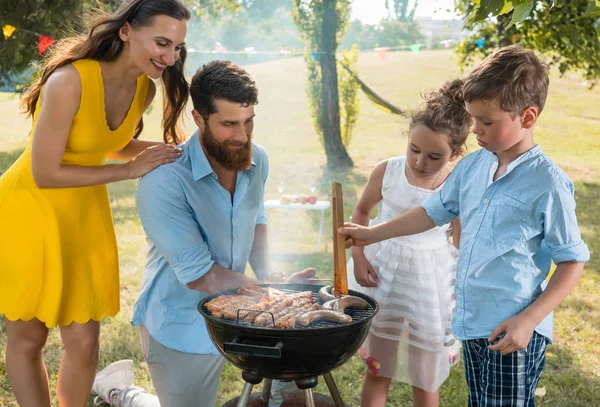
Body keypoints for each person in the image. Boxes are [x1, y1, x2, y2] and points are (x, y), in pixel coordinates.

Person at [339, 45, 590, 407]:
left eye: (487, 122)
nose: (476, 130)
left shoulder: (548, 184)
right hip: (472, 322)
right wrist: (372, 234)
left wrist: (529, 320)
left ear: (528, 117)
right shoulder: (473, 167)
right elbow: (431, 213)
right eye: (474, 119)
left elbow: (572, 262)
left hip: (514, 328)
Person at [91, 60, 316, 407]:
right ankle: (124, 393)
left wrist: (273, 279)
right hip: (180, 321)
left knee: (292, 398)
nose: (242, 136)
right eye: (228, 124)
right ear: (199, 119)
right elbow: (200, 275)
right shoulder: (163, 181)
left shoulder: (257, 159)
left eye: (248, 121)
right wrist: (274, 297)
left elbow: (255, 216)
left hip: (243, 307)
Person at [0, 0, 190, 406]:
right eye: (161, 42)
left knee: (85, 343)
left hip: (84, 213)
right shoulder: (69, 81)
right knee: (28, 337)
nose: (170, 56)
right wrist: (128, 171)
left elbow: (111, 143)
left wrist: (178, 152)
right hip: (30, 210)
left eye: (176, 47)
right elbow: (45, 173)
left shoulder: (143, 88)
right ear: (126, 32)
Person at [346, 79, 469, 407]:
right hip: (383, 273)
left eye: (434, 156)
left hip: (429, 282)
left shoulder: (454, 185)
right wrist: (358, 257)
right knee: (378, 368)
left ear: (455, 154)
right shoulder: (387, 171)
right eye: (414, 150)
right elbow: (361, 210)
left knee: (425, 373)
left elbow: (459, 240)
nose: (420, 162)